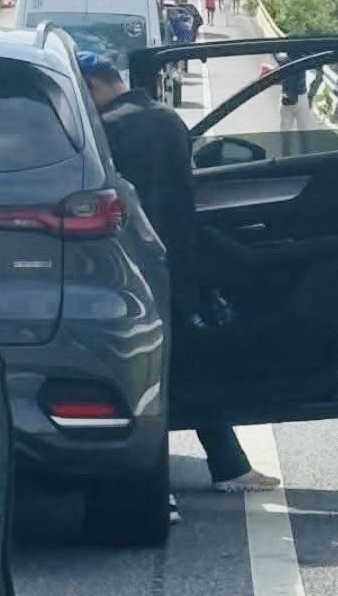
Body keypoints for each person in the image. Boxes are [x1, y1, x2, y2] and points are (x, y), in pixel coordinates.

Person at [76, 53, 279, 512]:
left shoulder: (104, 130)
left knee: (139, 374)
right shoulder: (167, 120)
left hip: (121, 265)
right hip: (176, 261)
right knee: (186, 362)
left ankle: (155, 479)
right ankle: (229, 466)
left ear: (90, 86)